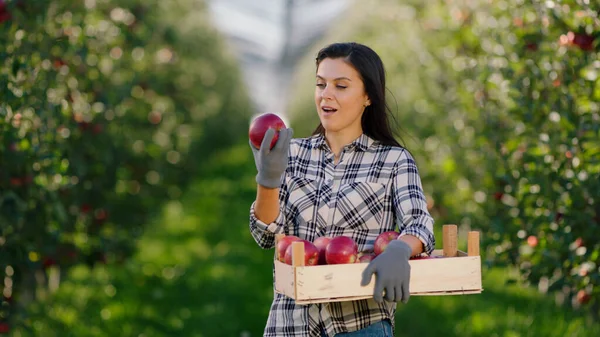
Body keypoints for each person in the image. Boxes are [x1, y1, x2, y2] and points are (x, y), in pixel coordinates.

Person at [248, 42, 436, 337]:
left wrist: (400, 248)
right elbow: (265, 236)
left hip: (360, 324)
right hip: (291, 324)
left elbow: (420, 223)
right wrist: (267, 181)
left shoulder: (393, 160)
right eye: (321, 84)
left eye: (341, 85)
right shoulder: (292, 154)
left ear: (368, 97)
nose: (326, 94)